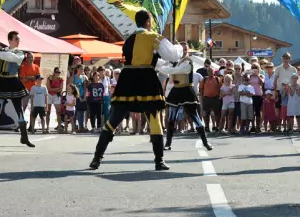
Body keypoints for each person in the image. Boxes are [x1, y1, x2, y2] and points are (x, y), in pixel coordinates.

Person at [89, 10, 183, 171]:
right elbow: (173, 55)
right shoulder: (153, 37)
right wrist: (178, 47)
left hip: (127, 79)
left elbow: (152, 62)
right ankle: (159, 160)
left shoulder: (129, 39)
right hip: (146, 79)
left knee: (114, 119)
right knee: (154, 118)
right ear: (148, 21)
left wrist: (164, 64)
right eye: (151, 21)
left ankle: (96, 158)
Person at [0, 30, 35, 149]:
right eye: (16, 39)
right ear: (9, 40)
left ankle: (24, 138)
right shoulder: (1, 50)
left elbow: (10, 57)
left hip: (13, 82)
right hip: (0, 81)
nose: (18, 41)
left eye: (19, 39)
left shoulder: (20, 54)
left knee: (19, 110)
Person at [160, 55, 213, 150]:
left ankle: (205, 142)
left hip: (187, 91)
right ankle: (168, 143)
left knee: (195, 118)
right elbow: (168, 73)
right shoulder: (175, 63)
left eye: (185, 49)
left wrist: (168, 68)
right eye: (182, 50)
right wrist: (163, 66)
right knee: (171, 119)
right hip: (176, 91)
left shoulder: (187, 62)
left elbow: (176, 70)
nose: (183, 52)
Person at [47, 67, 64, 132]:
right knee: (48, 112)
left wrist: (53, 89)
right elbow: (48, 88)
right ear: (54, 72)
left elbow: (60, 89)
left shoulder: (61, 79)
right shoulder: (50, 78)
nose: (58, 73)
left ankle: (59, 127)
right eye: (56, 72)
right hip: (49, 95)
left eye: (59, 72)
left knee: (58, 112)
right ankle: (47, 127)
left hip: (56, 96)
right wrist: (56, 89)